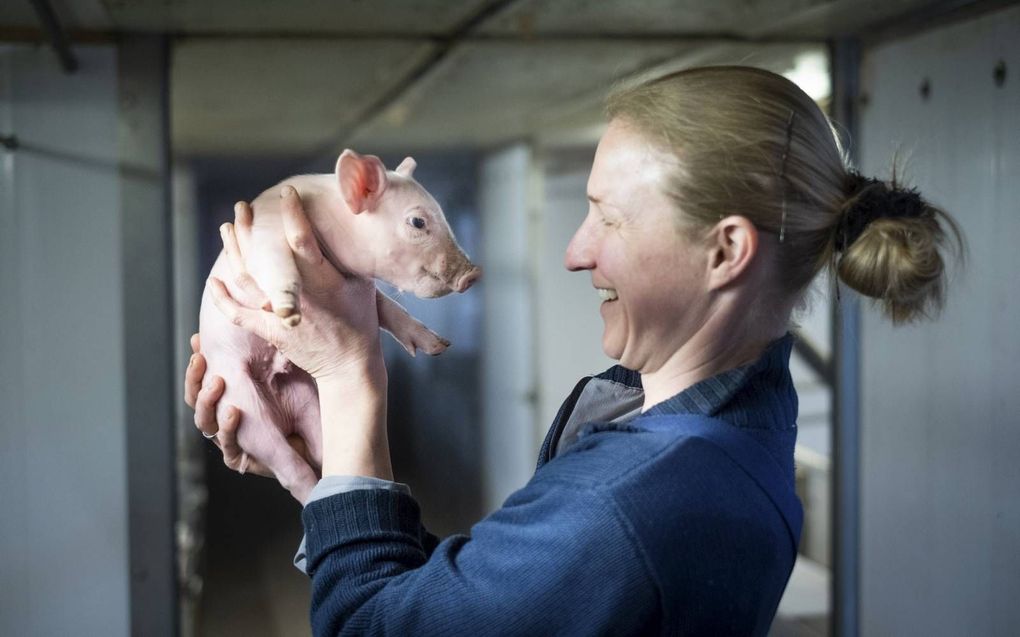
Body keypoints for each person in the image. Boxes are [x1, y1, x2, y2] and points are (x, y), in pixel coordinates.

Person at [186, 66, 962, 635]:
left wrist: (351, 374)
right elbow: (484, 606)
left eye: (609, 218)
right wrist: (329, 475)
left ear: (726, 251)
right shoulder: (739, 409)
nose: (575, 250)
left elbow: (376, 629)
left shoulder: (631, 504)